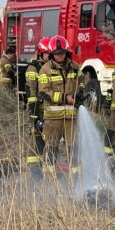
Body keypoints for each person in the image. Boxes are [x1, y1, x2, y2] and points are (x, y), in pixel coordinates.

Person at [37, 35, 81, 165]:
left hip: (71, 119)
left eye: (62, 53)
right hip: (53, 119)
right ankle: (49, 181)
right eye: (56, 54)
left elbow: (81, 83)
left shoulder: (75, 67)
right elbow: (44, 92)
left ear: (66, 52)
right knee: (51, 149)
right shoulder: (45, 70)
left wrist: (80, 94)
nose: (59, 56)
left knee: (73, 149)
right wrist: (64, 98)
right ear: (51, 54)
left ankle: (75, 178)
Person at [24, 36, 51, 168]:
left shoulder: (48, 66)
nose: (49, 56)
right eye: (47, 54)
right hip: (36, 108)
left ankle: (42, 162)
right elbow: (31, 90)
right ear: (41, 53)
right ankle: (33, 168)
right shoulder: (33, 68)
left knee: (45, 137)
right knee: (35, 136)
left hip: (46, 109)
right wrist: (33, 114)